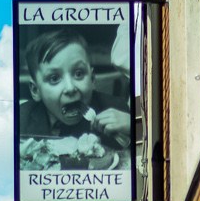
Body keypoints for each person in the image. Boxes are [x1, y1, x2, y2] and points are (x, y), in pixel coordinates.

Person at [17, 28, 132, 172]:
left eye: (79, 74)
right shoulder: (20, 120)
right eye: (54, 78)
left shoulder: (117, 108)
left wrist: (132, 127)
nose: (70, 88)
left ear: (92, 79)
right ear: (35, 90)